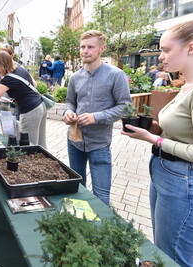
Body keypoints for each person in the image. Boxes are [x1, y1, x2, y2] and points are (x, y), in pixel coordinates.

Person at [121, 19, 193, 267]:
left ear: (191, 48)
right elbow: (187, 132)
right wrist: (157, 128)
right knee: (164, 253)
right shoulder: (188, 85)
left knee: (175, 260)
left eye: (166, 49)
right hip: (171, 177)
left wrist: (155, 139)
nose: (161, 57)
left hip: (187, 184)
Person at [63, 30, 131, 206]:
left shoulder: (115, 75)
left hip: (99, 143)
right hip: (75, 140)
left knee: (101, 196)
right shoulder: (75, 77)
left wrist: (97, 117)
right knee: (77, 189)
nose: (85, 51)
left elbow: (125, 106)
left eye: (90, 47)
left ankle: (100, 230)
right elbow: (70, 102)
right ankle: (79, 227)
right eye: (82, 47)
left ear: (102, 48)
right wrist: (68, 113)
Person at [0, 51, 47, 148]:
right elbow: (34, 84)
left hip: (30, 110)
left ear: (2, 65)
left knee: (28, 146)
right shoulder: (20, 69)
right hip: (40, 106)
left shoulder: (8, 79)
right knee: (41, 144)